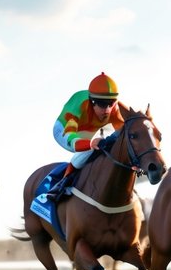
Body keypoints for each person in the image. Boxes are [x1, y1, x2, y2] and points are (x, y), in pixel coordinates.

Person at [46, 73, 126, 202]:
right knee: (88, 150)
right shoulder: (81, 104)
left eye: (111, 104)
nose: (107, 110)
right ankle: (60, 185)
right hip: (66, 128)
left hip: (88, 130)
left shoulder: (114, 110)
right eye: (102, 104)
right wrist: (90, 144)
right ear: (92, 101)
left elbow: (126, 132)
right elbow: (72, 141)